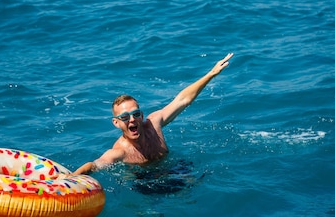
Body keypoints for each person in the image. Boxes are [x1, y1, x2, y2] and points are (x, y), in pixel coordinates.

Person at [72, 53, 234, 175]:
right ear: (116, 122)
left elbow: (182, 99)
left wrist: (211, 74)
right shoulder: (120, 152)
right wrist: (72, 177)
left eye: (135, 114)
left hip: (173, 169)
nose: (131, 120)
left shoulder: (154, 123)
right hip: (146, 182)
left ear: (141, 115)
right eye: (124, 117)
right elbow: (94, 165)